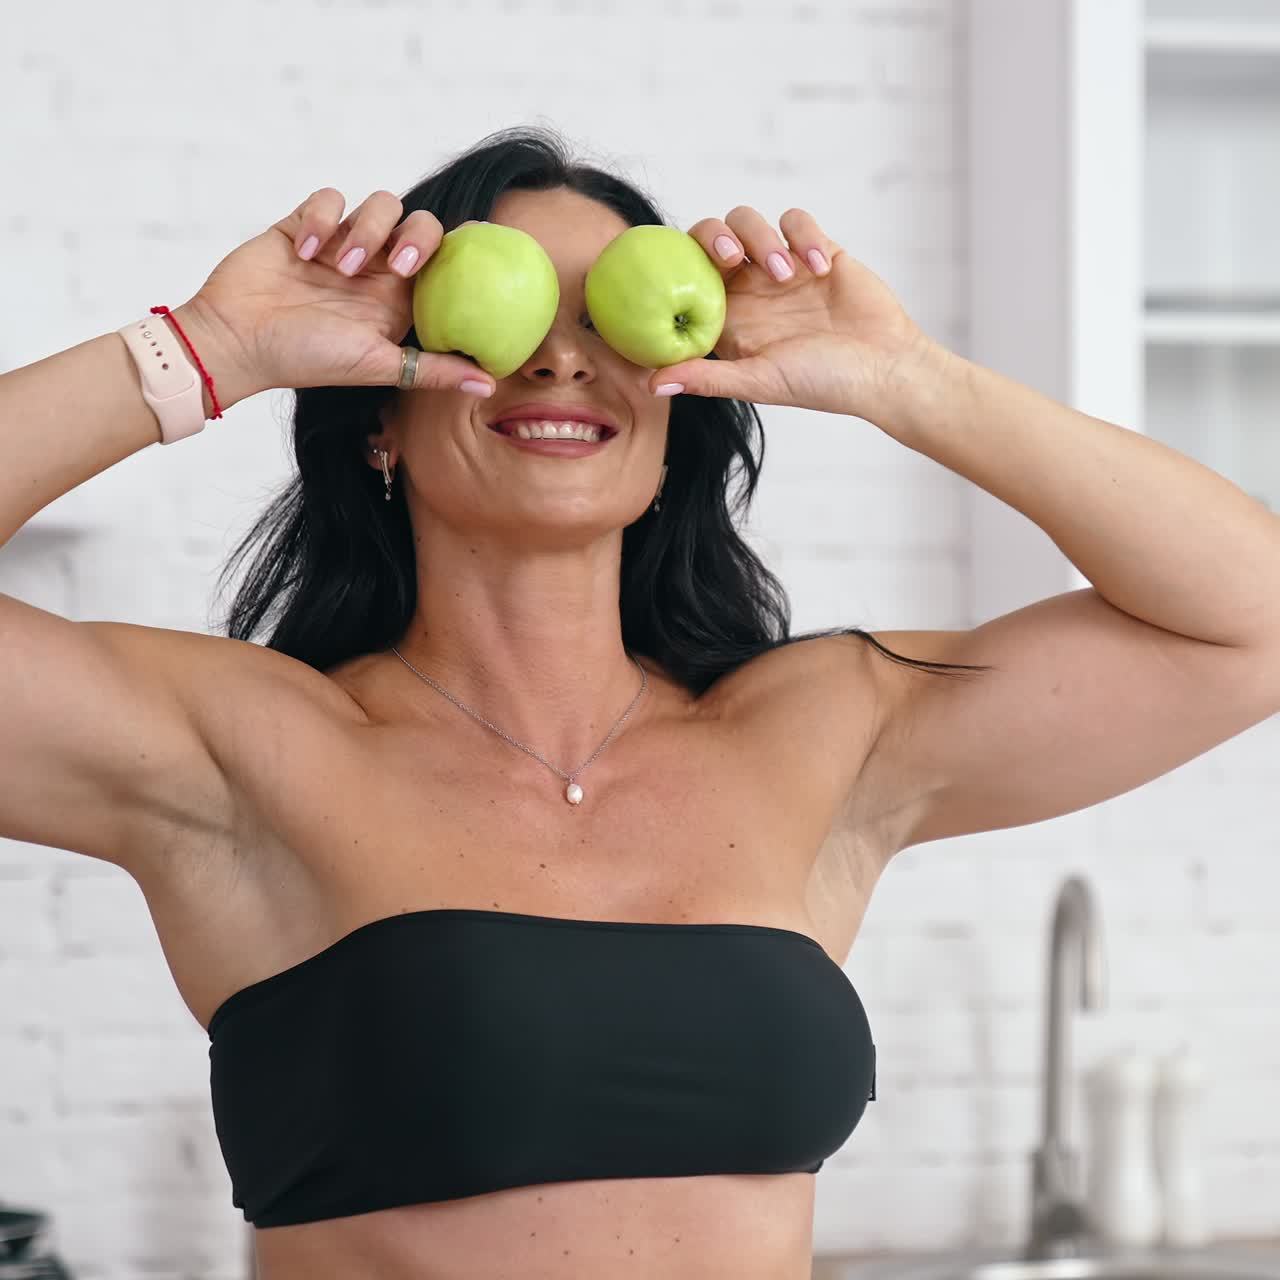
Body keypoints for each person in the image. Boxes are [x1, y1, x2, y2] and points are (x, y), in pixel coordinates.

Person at [1, 124, 1276, 1280]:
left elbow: (1249, 620)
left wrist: (902, 378)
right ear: (377, 419)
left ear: (678, 404)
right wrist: (208, 352)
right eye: (498, 317)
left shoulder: (823, 728)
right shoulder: (241, 746)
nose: (560, 355)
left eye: (609, 322)